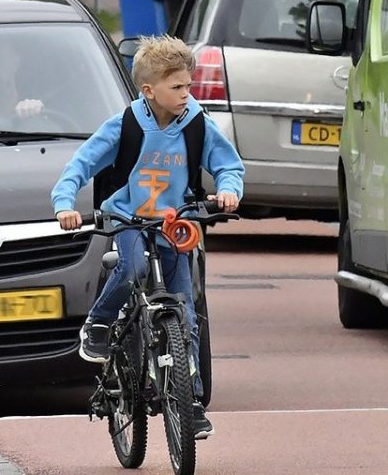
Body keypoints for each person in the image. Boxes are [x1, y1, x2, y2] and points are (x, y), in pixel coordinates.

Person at [52, 35, 244, 441]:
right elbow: (82, 163)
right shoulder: (124, 124)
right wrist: (63, 203)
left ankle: (190, 401)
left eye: (189, 86)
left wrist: (229, 190)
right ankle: (99, 325)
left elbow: (228, 164)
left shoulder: (195, 123)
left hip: (174, 223)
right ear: (148, 90)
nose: (186, 94)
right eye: (177, 87)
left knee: (186, 314)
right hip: (129, 218)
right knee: (133, 266)